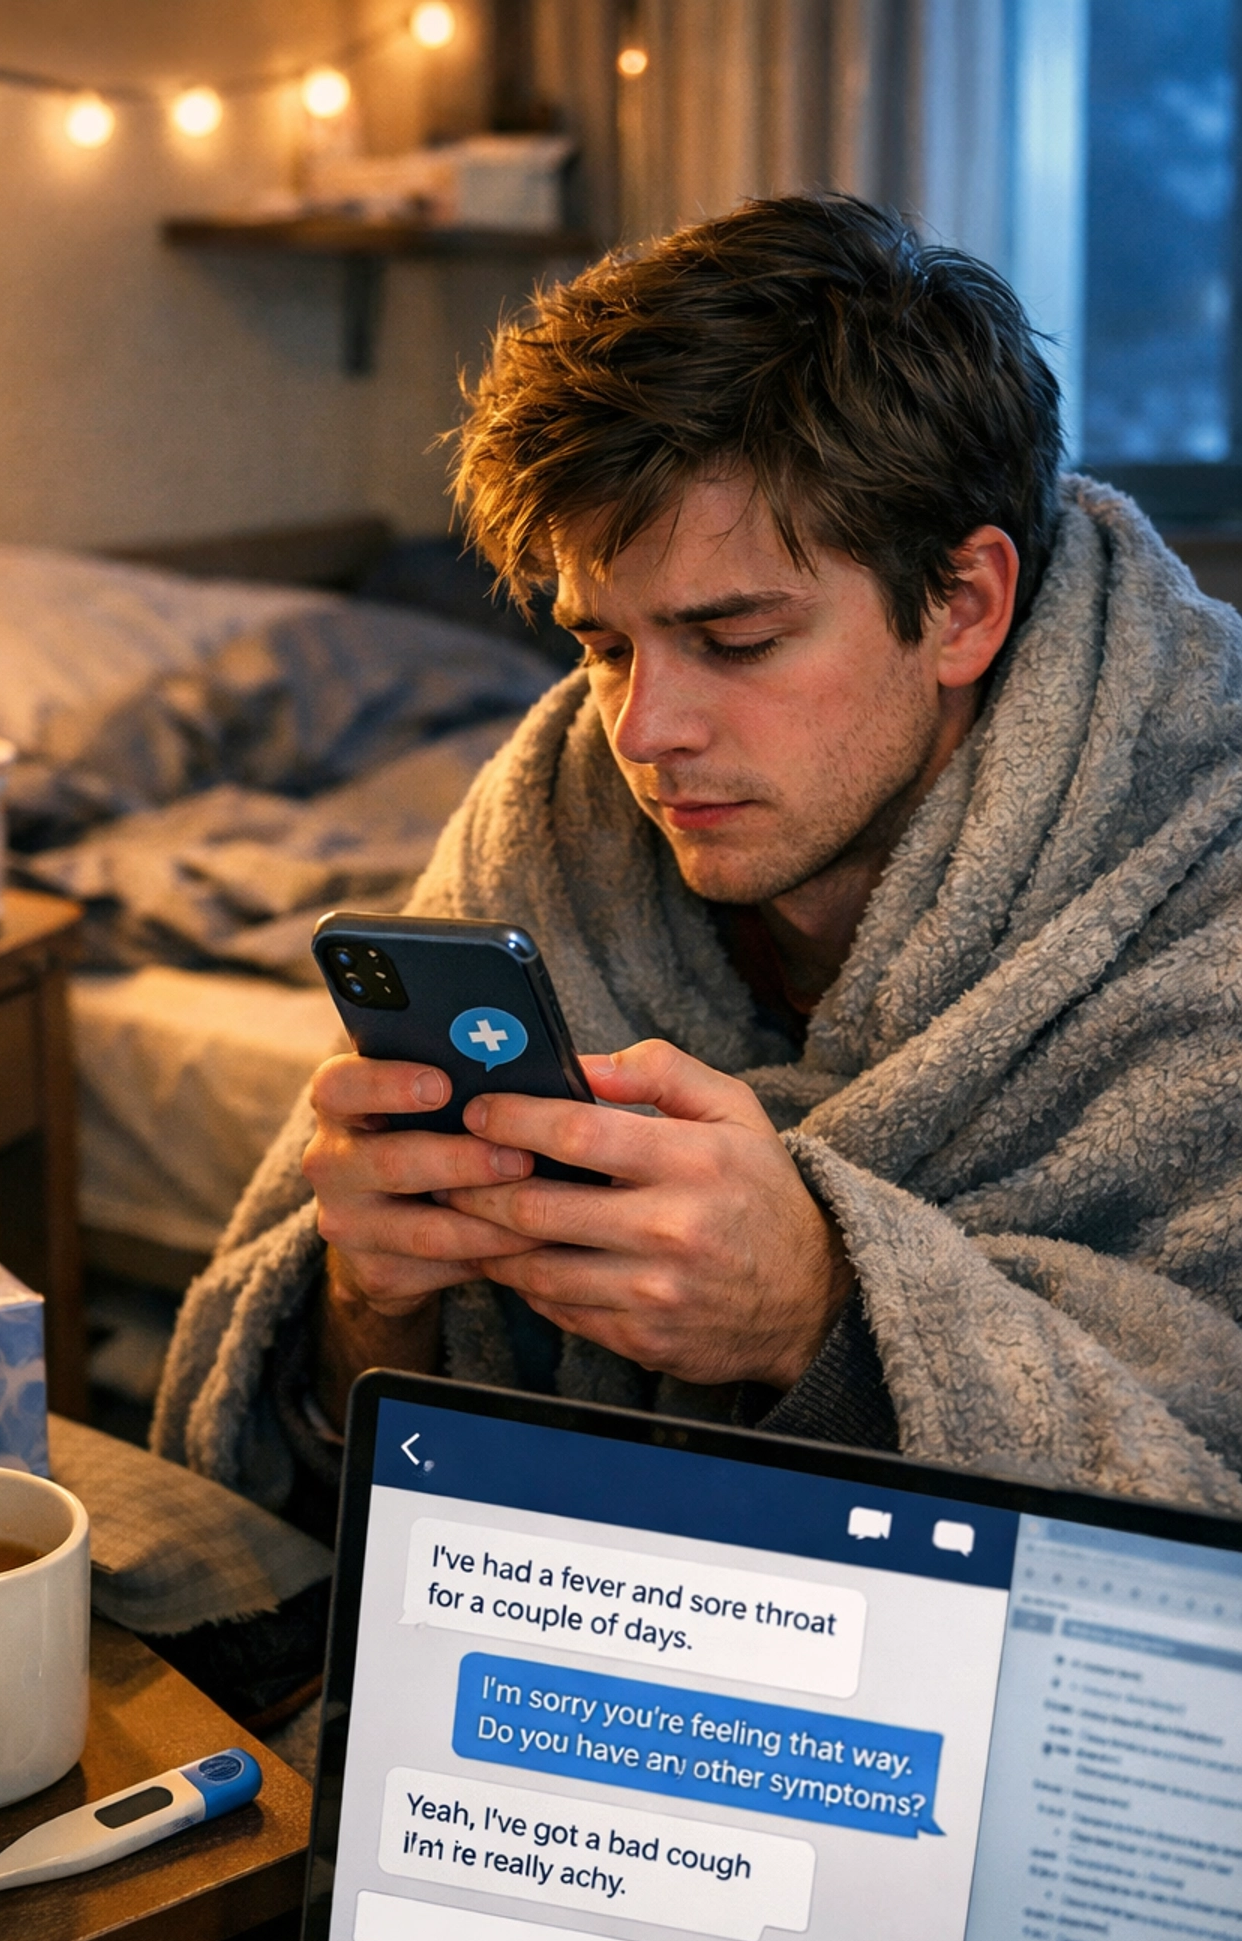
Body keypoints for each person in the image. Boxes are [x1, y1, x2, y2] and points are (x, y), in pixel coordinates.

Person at [154, 193, 1242, 1558]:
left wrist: (823, 1316)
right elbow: (313, 1474)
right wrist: (374, 1301)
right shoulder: (541, 818)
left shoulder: (1208, 876)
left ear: (963, 605)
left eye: (734, 638)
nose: (641, 732)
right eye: (603, 645)